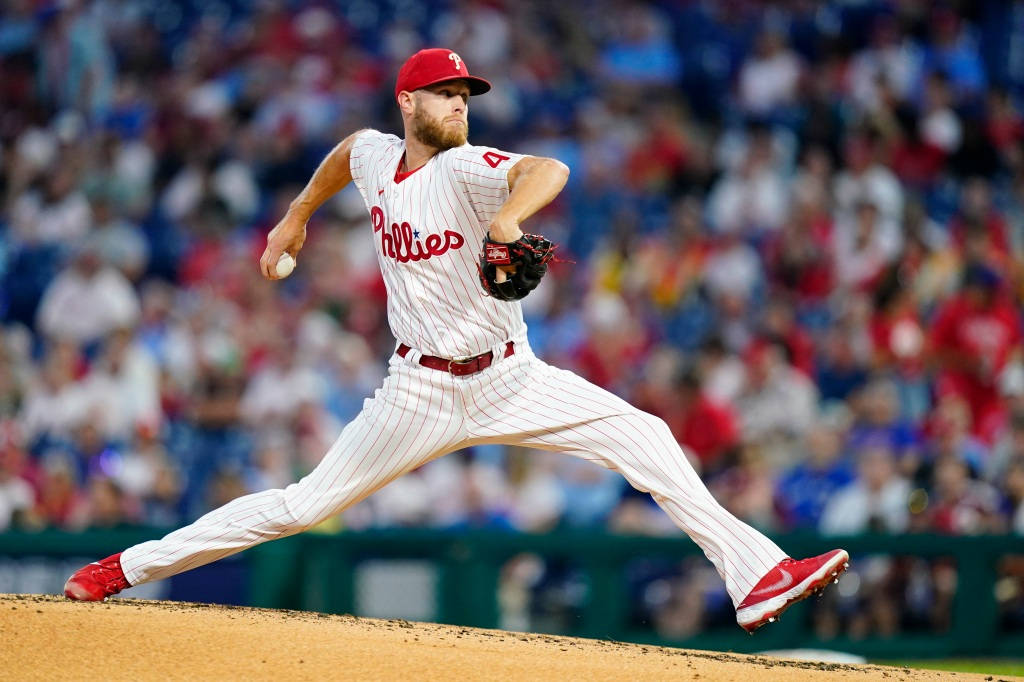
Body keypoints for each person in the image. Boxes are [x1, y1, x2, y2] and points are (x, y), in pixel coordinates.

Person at [63, 48, 848, 633]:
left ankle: (754, 577)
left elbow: (550, 169)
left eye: (466, 94)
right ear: (409, 103)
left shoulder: (469, 168)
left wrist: (508, 219)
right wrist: (297, 214)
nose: (460, 104)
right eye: (445, 94)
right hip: (418, 391)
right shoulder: (378, 154)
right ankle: (120, 569)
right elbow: (345, 155)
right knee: (300, 506)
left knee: (644, 436)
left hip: (511, 376)